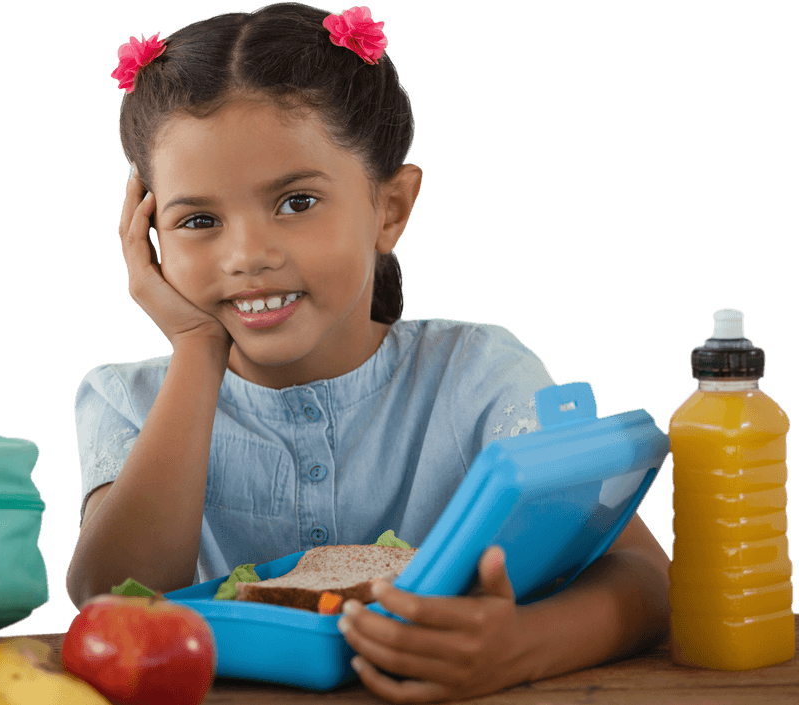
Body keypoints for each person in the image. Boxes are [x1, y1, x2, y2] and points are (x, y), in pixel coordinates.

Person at [66, 4, 670, 702]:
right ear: (147, 240)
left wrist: (520, 648)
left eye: (296, 202)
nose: (246, 256)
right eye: (198, 220)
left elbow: (647, 578)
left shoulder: (477, 374)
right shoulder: (125, 398)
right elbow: (107, 601)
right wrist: (198, 348)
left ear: (390, 209)